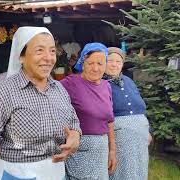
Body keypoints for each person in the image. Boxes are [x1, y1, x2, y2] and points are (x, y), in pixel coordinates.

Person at [0, 26, 81, 180]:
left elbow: (73, 121)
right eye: (39, 50)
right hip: (16, 174)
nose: (48, 58)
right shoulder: (5, 91)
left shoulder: (59, 89)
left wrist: (74, 136)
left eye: (52, 51)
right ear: (21, 57)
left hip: (55, 173)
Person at [60, 42, 117, 180]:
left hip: (101, 150)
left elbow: (109, 120)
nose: (96, 68)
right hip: (79, 150)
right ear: (82, 62)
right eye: (91, 63)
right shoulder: (69, 83)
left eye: (100, 64)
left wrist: (112, 150)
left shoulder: (106, 86)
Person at [103, 47, 151, 180]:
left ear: (122, 64)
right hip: (120, 137)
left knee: (139, 169)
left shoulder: (129, 81)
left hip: (140, 136)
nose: (114, 64)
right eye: (110, 60)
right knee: (123, 171)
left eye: (118, 61)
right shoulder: (101, 83)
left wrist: (148, 130)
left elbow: (140, 107)